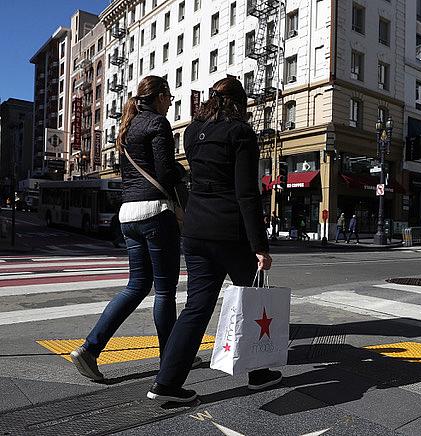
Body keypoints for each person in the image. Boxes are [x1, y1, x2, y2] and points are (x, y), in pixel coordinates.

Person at [147, 77, 280, 403]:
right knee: (254, 301)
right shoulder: (241, 133)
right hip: (231, 232)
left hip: (195, 230)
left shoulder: (192, 133)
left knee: (196, 307)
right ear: (240, 102)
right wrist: (260, 246)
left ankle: (166, 382)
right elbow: (247, 193)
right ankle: (259, 374)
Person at [70, 76, 184, 381]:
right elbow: (164, 171)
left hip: (128, 214)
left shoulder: (128, 126)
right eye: (169, 96)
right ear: (159, 97)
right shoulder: (158, 124)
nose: (171, 102)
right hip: (155, 212)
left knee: (136, 286)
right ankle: (169, 363)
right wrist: (182, 172)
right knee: (165, 291)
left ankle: (90, 348)